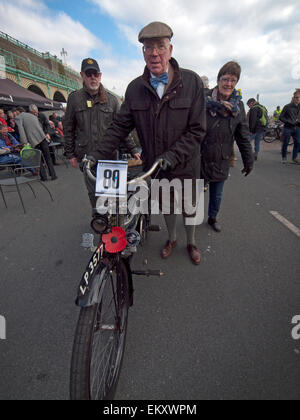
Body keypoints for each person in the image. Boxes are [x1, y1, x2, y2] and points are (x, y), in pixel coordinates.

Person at [91, 21, 206, 265]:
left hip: (186, 163)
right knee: (166, 206)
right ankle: (172, 238)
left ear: (170, 49)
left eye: (160, 46)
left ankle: (191, 242)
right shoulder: (134, 89)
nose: (154, 53)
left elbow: (197, 130)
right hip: (156, 166)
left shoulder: (192, 82)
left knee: (189, 207)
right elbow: (119, 126)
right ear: (143, 52)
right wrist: (95, 155)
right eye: (148, 47)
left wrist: (172, 155)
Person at [64, 57, 140, 208]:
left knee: (111, 191)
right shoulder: (75, 98)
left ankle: (111, 219)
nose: (93, 77)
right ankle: (98, 218)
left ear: (100, 75)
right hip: (86, 155)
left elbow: (122, 128)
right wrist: (70, 154)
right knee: (93, 193)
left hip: (109, 155)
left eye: (96, 74)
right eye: (89, 74)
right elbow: (68, 127)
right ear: (82, 75)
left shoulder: (112, 101)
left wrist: (133, 150)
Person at [202, 62, 254, 233]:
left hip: (222, 157)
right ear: (218, 80)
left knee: (216, 194)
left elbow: (243, 136)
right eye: (225, 79)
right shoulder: (203, 99)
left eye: (233, 80)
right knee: (192, 193)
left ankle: (212, 218)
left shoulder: (238, 107)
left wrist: (248, 159)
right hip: (199, 156)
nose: (229, 84)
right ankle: (190, 220)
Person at [15, 105, 57, 181]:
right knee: (48, 157)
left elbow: (21, 131)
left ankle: (44, 177)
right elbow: (39, 126)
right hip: (42, 137)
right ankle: (53, 175)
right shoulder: (32, 116)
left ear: (18, 112)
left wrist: (24, 142)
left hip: (33, 140)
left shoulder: (18, 118)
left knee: (38, 159)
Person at [279, 90, 300, 164]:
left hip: (297, 128)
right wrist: (289, 121)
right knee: (285, 143)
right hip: (288, 127)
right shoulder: (287, 106)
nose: (297, 99)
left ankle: (294, 158)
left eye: (298, 97)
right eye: (296, 97)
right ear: (293, 98)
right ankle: (284, 158)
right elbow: (281, 117)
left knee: (297, 142)